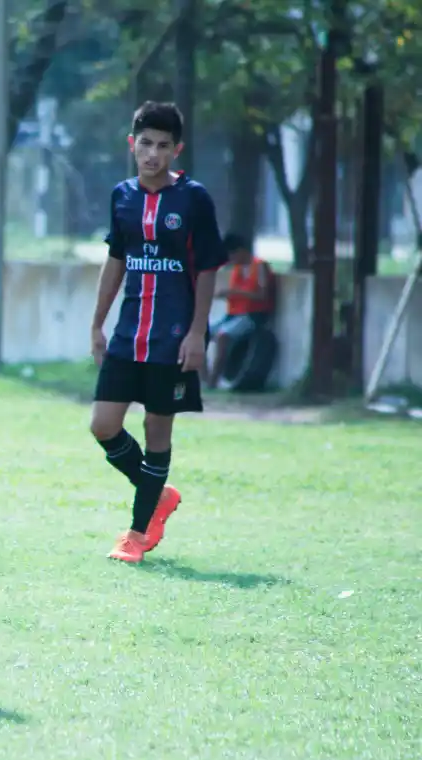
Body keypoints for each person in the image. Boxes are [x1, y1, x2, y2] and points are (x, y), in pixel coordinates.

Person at [88, 101, 227, 564]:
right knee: (103, 425)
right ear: (132, 145)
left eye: (163, 146)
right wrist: (97, 324)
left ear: (176, 150)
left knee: (156, 432)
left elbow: (207, 269)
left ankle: (136, 534)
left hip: (171, 340)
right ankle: (158, 495)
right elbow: (116, 260)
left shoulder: (193, 199)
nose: (152, 154)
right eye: (145, 144)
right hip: (129, 335)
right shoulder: (122, 196)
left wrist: (197, 334)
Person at [207, 232, 276, 388]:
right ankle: (203, 378)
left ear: (241, 251)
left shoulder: (259, 266)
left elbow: (262, 294)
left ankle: (213, 380)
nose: (231, 259)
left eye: (232, 254)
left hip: (252, 315)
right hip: (233, 315)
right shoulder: (238, 269)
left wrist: (234, 293)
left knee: (223, 336)